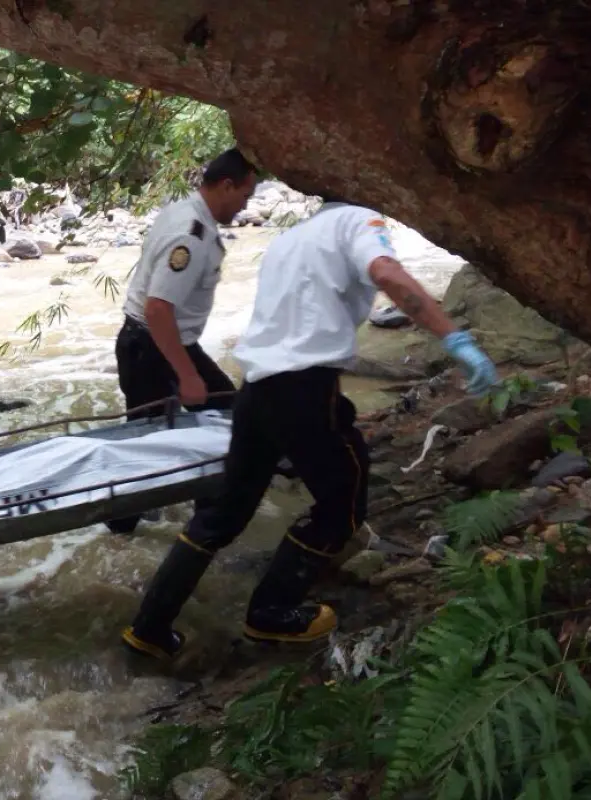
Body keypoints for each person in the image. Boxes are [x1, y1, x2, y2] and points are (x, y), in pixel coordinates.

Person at [121, 199, 499, 660]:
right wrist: (454, 337)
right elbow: (386, 273)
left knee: (223, 515)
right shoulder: (361, 220)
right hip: (304, 389)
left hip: (255, 389)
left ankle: (149, 627)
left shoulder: (288, 240)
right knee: (343, 502)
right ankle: (271, 613)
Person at [107, 149, 258, 534]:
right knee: (148, 445)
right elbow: (159, 309)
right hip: (153, 347)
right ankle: (127, 526)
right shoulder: (190, 236)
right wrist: (187, 375)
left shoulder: (185, 211)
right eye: (245, 195)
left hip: (157, 343)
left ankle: (204, 509)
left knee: (222, 417)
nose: (245, 206)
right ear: (226, 185)